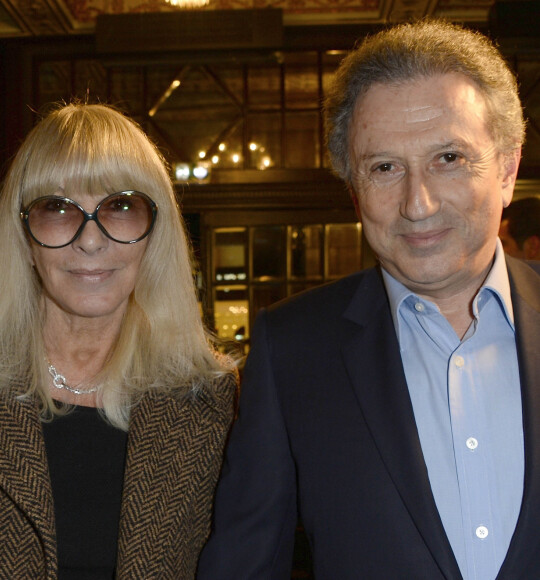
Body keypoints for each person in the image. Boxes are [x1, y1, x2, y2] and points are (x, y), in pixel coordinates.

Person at [198, 19, 540, 580]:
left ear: (507, 169)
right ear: (354, 192)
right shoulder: (293, 350)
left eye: (448, 158)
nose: (418, 203)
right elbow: (245, 562)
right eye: (384, 168)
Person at [0, 103, 237, 578]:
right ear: (23, 236)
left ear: (155, 234)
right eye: (57, 208)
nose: (90, 240)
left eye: (121, 206)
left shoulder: (217, 401)